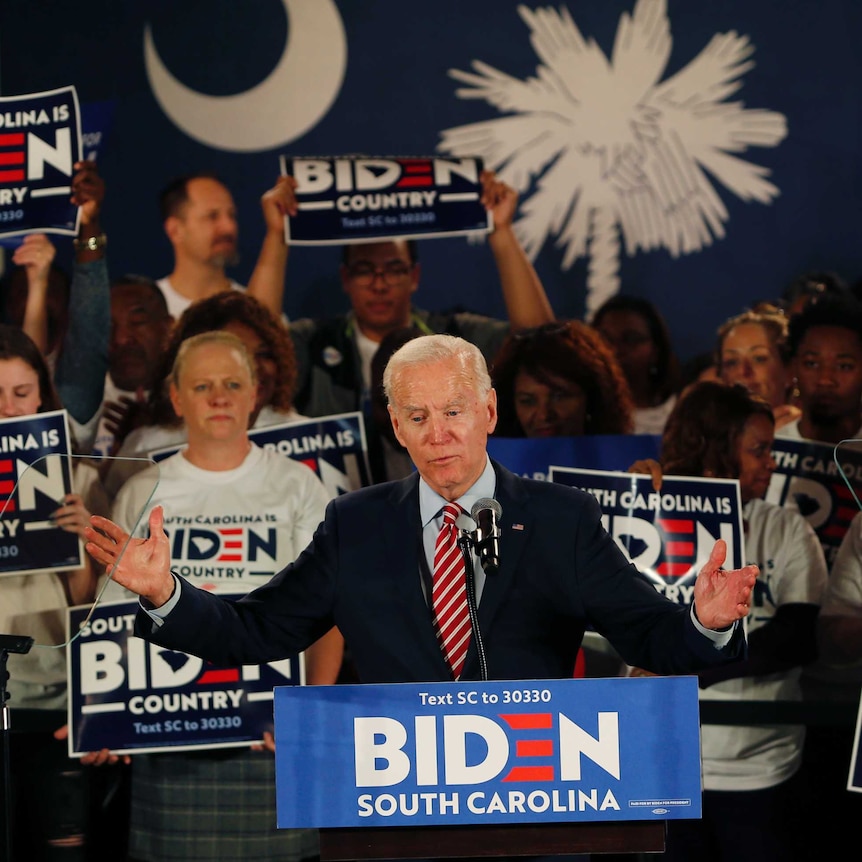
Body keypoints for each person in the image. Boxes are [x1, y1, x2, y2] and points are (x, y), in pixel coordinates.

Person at [85, 333, 756, 686]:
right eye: (417, 416)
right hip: (402, 816)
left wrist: (706, 621)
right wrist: (168, 594)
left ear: (488, 413)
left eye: (455, 412)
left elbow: (648, 634)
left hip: (534, 806)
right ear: (397, 429)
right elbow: (256, 631)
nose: (439, 433)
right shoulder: (357, 525)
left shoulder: (563, 519)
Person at [103, 330, 340, 862]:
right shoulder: (144, 489)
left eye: (233, 383)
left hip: (273, 736)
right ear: (177, 397)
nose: (218, 397)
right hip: (167, 736)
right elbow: (117, 619)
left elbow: (329, 616)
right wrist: (103, 716)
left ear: (255, 392)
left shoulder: (298, 485)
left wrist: (306, 714)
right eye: (202, 385)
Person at [627, 381, 827, 862]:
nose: (771, 463)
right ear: (715, 453)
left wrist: (691, 668)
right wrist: (626, 502)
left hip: (758, 767)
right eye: (759, 450)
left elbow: (795, 639)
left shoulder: (784, 527)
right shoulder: (643, 514)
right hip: (660, 761)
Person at [284, 170, 556, 480]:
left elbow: (540, 345)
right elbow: (250, 347)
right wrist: (277, 236)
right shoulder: (314, 340)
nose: (379, 284)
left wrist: (502, 230)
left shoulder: (456, 337)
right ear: (346, 279)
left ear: (414, 276)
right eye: (364, 270)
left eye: (394, 269)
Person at [0, 324, 113, 861]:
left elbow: (86, 611)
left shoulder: (79, 482)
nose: (11, 409)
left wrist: (82, 540)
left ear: (43, 394)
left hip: (54, 700)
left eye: (22, 394)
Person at [103, 291, 302, 499]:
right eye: (235, 355)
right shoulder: (145, 447)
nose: (254, 368)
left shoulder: (306, 437)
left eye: (264, 354)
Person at [156, 171, 293, 320]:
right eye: (212, 216)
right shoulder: (148, 309)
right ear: (175, 230)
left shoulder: (263, 310)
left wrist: (277, 233)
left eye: (232, 215)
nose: (229, 227)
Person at [490, 320, 634, 438]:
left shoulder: (624, 463)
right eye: (528, 401)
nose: (544, 415)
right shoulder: (489, 467)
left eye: (559, 397)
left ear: (593, 397)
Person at [777, 293, 862, 443]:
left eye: (844, 366)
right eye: (812, 364)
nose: (825, 380)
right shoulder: (771, 449)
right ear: (793, 368)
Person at [590, 295, 679, 435]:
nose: (614, 349)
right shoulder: (584, 416)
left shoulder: (679, 414)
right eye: (604, 339)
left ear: (655, 351)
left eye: (631, 339)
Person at [715, 304, 800, 430]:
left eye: (759, 359)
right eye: (732, 362)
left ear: (789, 371)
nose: (743, 371)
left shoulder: (811, 439)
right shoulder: (706, 439)